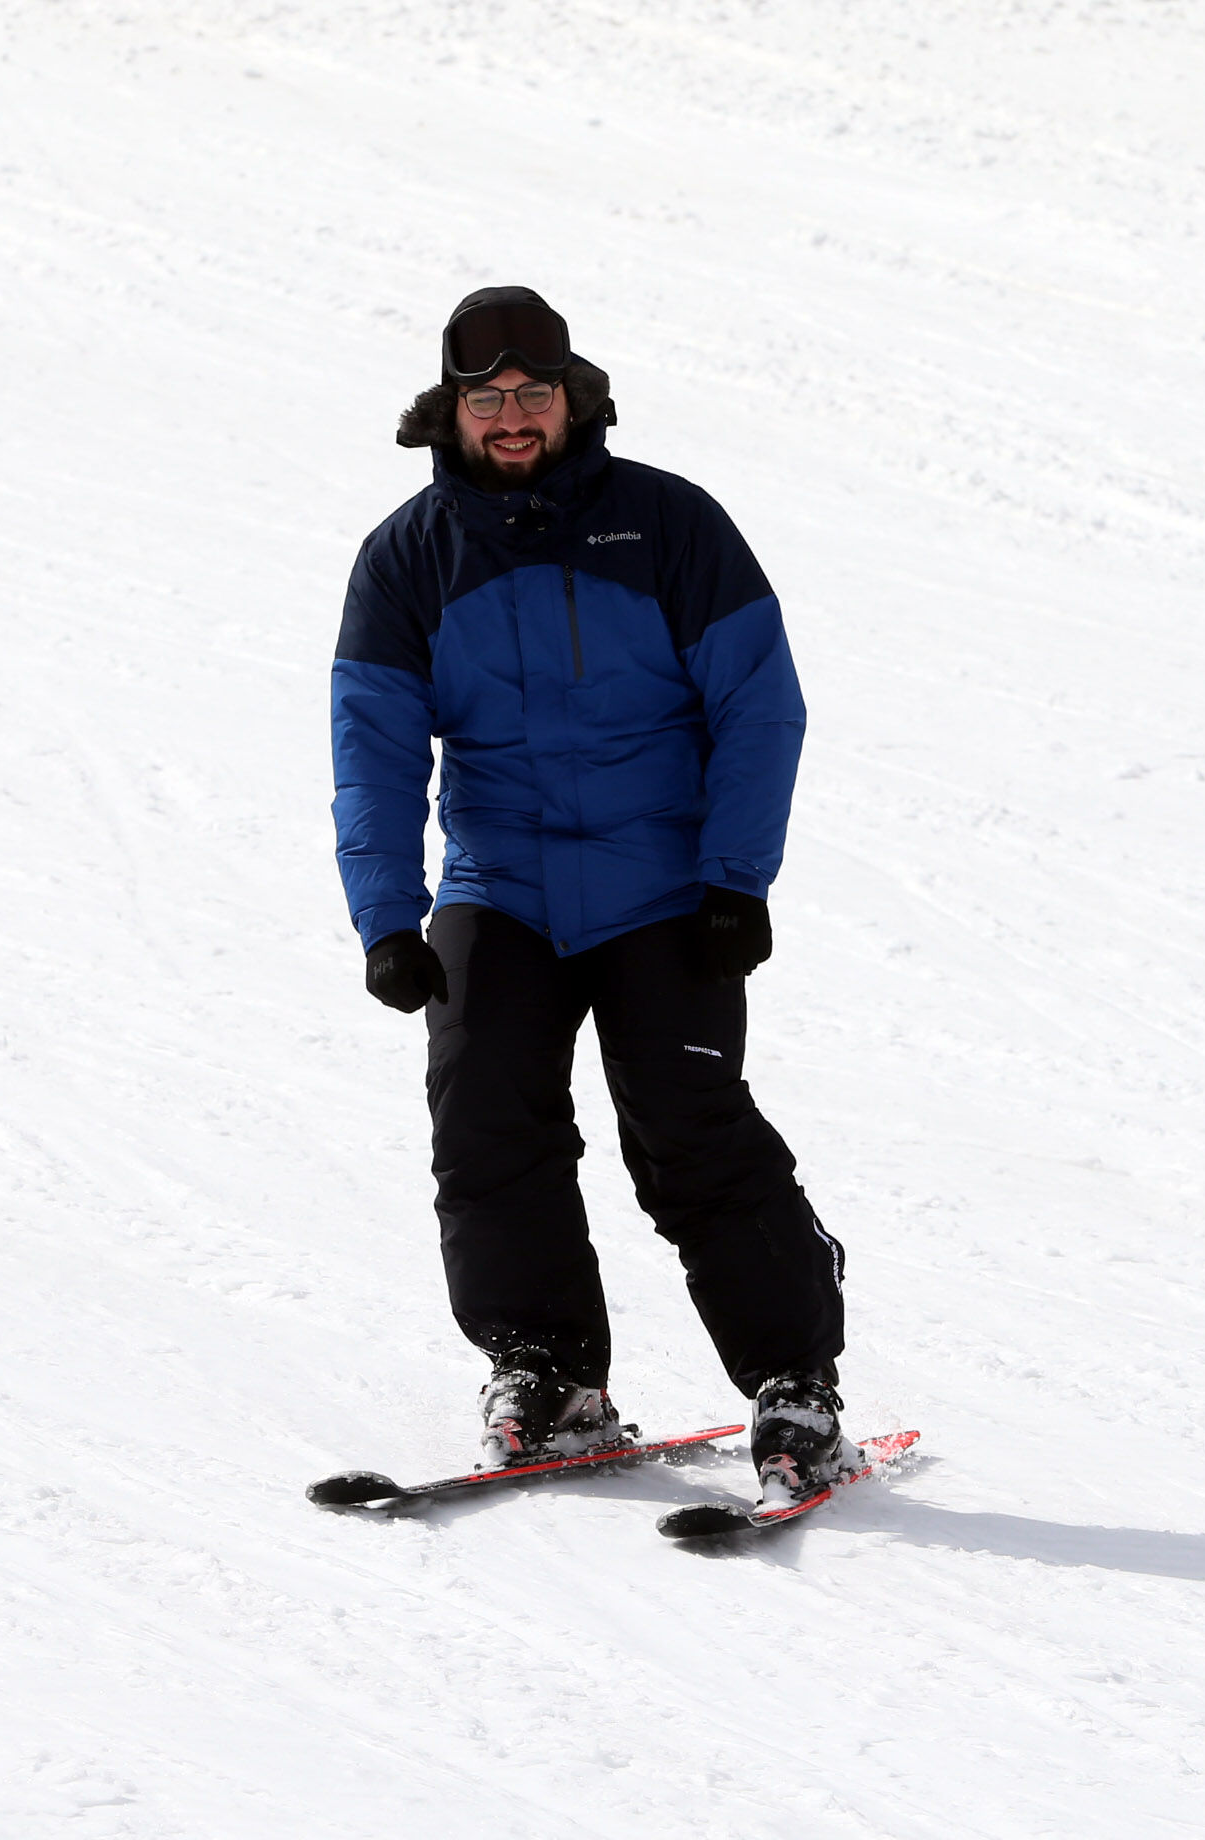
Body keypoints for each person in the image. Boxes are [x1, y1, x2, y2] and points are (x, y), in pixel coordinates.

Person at [329, 286, 853, 1502]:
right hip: (499, 886)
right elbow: (373, 746)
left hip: (663, 888)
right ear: (449, 412)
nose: (511, 418)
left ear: (575, 398)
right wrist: (386, 917)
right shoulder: (408, 558)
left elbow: (757, 705)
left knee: (689, 1131)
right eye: (486, 398)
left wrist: (736, 877)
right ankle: (549, 1372)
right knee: (485, 1123)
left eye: (532, 394)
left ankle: (795, 1383)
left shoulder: (670, 525)